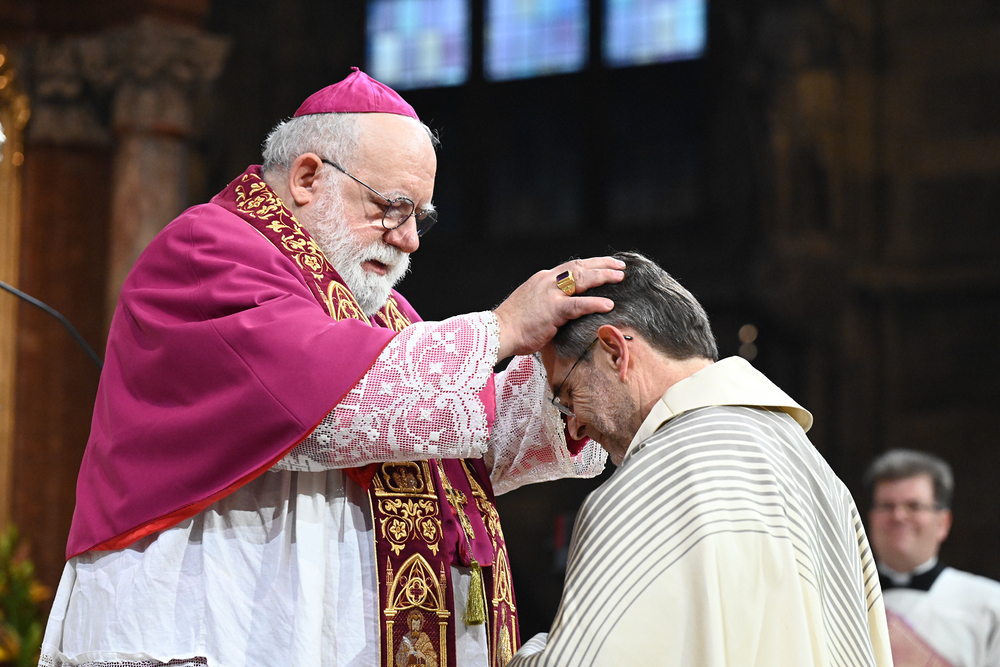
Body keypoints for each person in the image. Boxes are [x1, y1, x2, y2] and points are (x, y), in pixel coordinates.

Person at [39, 68, 626, 667]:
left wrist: (578, 376)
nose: (409, 239)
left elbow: (460, 433)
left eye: (419, 217)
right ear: (307, 178)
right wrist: (502, 329)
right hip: (206, 614)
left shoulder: (378, 312)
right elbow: (331, 411)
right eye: (392, 208)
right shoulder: (208, 251)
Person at [509, 251, 893, 667]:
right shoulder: (814, 471)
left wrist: (530, 650)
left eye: (568, 395)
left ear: (616, 352)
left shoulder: (652, 488)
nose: (574, 429)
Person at [864, 449, 1000, 667]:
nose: (898, 516)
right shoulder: (840, 600)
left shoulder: (991, 604)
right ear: (871, 519)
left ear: (943, 523)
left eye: (914, 506)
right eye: (887, 506)